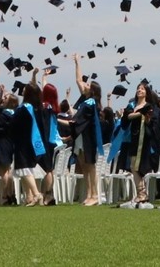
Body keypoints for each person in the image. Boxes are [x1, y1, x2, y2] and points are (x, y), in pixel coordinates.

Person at [118, 81, 160, 208]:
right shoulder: (132, 105)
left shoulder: (149, 106)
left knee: (139, 167)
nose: (140, 90)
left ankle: (142, 194)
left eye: (142, 89)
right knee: (134, 167)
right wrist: (140, 113)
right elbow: (127, 118)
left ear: (147, 92)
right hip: (132, 140)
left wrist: (146, 117)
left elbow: (151, 123)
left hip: (144, 141)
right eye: (138, 89)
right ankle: (141, 194)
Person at [71, 53, 103, 206]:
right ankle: (88, 194)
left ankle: (94, 195)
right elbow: (78, 79)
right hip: (80, 137)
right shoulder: (85, 100)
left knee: (90, 165)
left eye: (88, 85)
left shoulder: (92, 103)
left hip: (88, 136)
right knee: (83, 166)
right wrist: (77, 63)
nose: (85, 85)